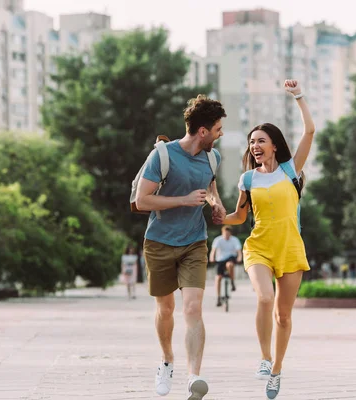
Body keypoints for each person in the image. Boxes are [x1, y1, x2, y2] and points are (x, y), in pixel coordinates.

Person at [222, 79, 315, 399]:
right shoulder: (247, 178)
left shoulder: (291, 170)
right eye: (251, 142)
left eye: (260, 140)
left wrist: (298, 97)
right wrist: (217, 212)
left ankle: (276, 370)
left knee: (283, 315)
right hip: (259, 246)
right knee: (264, 298)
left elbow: (310, 132)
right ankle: (264, 359)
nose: (254, 146)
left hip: (290, 248)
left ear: (274, 144)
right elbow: (239, 216)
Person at [135, 94, 227, 400]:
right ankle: (166, 361)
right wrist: (184, 200)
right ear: (202, 131)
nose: (220, 133)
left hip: (194, 242)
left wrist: (216, 205)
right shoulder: (163, 156)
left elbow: (211, 186)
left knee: (192, 308)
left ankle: (194, 378)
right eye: (217, 128)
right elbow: (142, 199)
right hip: (159, 242)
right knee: (166, 308)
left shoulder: (213, 157)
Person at [209, 225, 242, 306]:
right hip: (220, 259)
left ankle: (232, 281)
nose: (227, 236)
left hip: (230, 257)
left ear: (230, 233)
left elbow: (239, 251)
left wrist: (239, 258)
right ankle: (218, 297)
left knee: (230, 265)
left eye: (228, 234)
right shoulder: (218, 240)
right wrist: (211, 257)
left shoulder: (234, 240)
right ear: (222, 233)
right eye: (225, 234)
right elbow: (213, 250)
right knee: (218, 277)